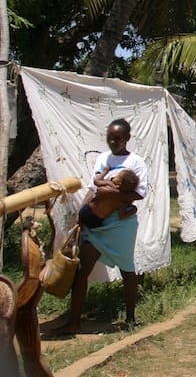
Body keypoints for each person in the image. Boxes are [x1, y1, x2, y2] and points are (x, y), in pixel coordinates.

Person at [54, 118, 149, 334]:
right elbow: (93, 187)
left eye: (118, 139)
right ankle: (74, 322)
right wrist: (80, 213)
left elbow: (139, 194)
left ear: (127, 138)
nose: (113, 142)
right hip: (98, 223)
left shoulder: (136, 162)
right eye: (110, 139)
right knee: (81, 271)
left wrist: (111, 193)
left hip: (121, 225)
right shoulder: (103, 158)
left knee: (127, 270)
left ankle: (131, 319)